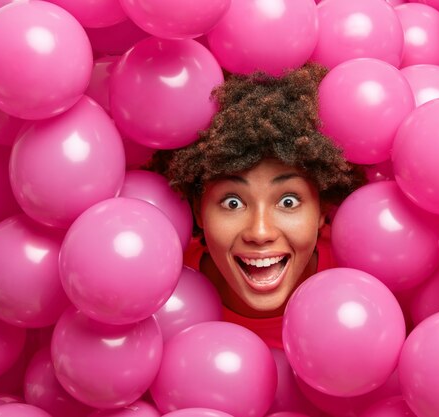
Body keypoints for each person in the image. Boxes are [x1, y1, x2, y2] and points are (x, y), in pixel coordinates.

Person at [148, 63, 365, 348]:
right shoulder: (160, 288)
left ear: (322, 209)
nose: (260, 232)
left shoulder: (360, 280)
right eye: (233, 202)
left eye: (288, 201)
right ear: (200, 210)